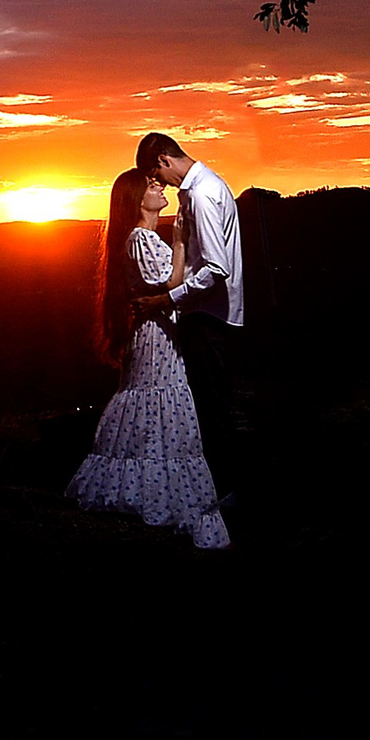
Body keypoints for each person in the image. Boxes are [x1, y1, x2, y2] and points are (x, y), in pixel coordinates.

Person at [64, 169, 231, 548]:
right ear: (136, 199)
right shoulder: (141, 238)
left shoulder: (142, 238)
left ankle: (150, 494)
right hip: (156, 340)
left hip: (158, 336)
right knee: (157, 404)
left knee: (153, 410)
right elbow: (170, 283)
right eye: (151, 185)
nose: (159, 187)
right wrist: (180, 242)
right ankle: (156, 499)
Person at [132, 132, 250, 504]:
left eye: (156, 174)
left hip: (208, 313)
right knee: (211, 401)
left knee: (213, 405)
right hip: (206, 311)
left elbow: (216, 267)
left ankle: (228, 490)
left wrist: (165, 299)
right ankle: (223, 485)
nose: (159, 183)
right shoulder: (199, 189)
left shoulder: (201, 194)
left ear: (164, 160)